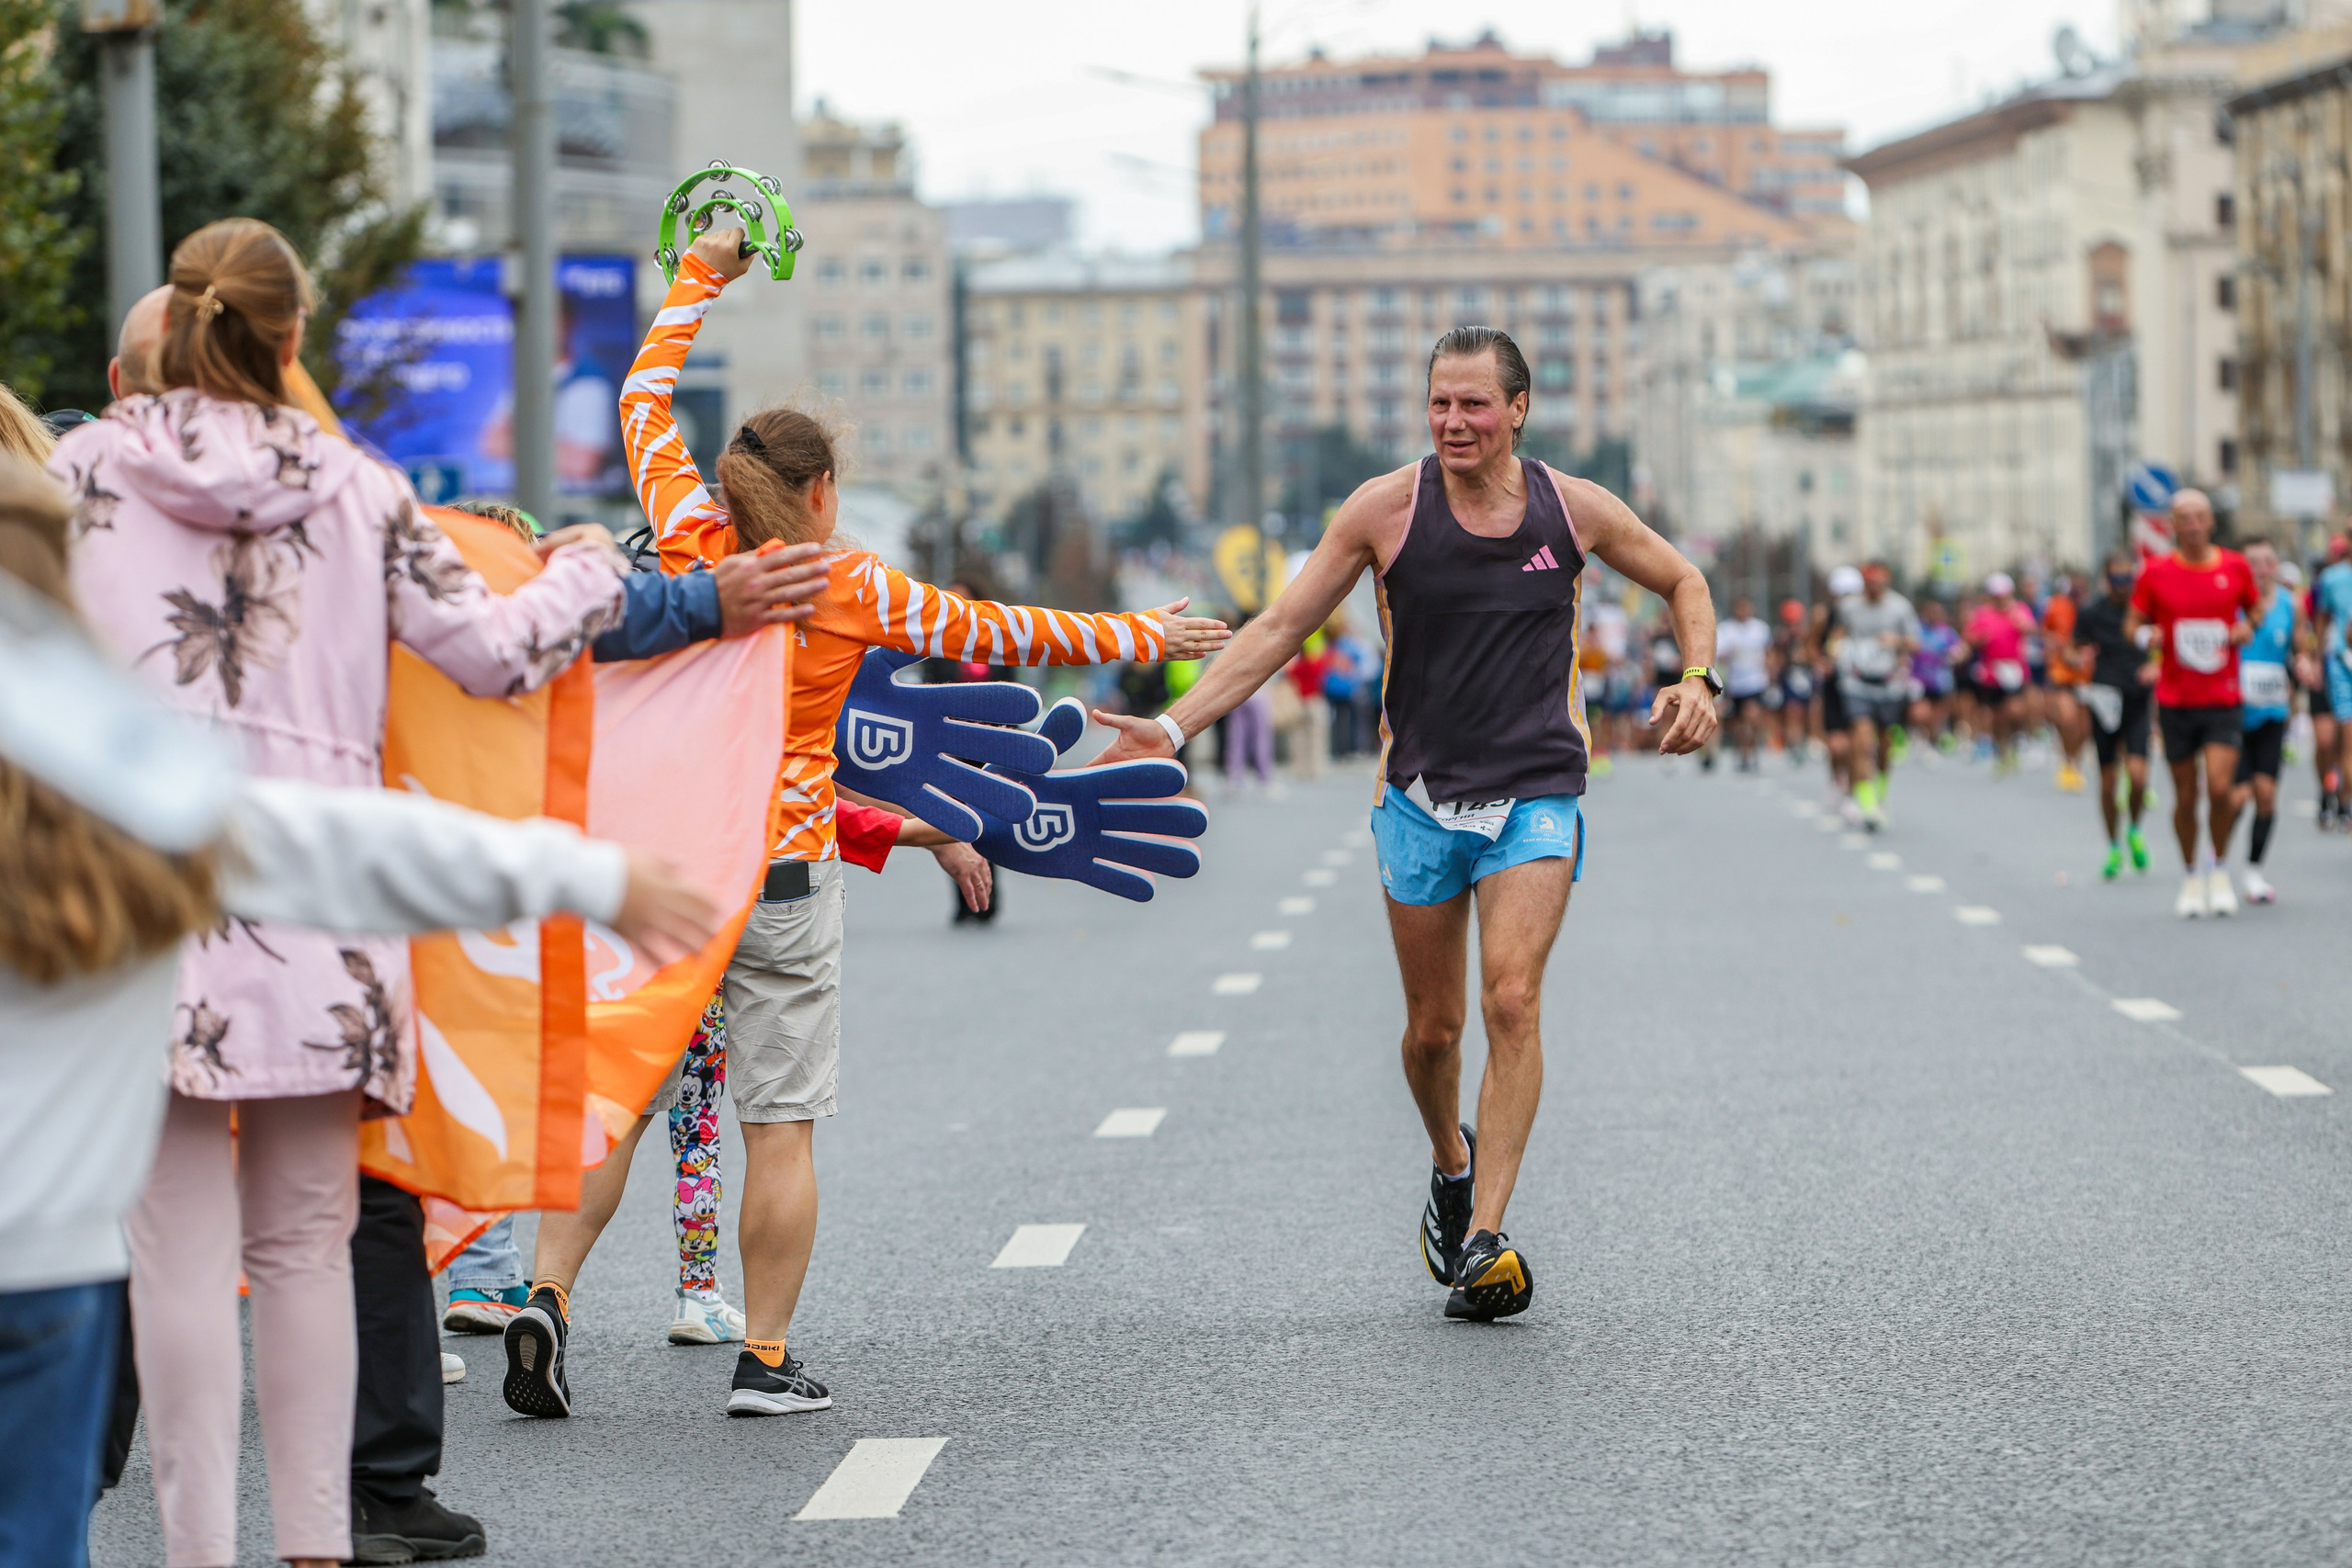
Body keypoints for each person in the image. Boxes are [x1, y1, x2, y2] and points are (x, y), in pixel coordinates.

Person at [498, 223, 1228, 1423]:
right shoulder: (851, 583)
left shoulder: (684, 532)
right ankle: (767, 1358)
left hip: (660, 867)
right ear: (824, 492)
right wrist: (1145, 635)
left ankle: (547, 1293)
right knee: (779, 1123)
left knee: (620, 1098)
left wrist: (701, 277)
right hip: (782, 868)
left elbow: (639, 392)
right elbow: (1001, 631)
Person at [0, 451, 720, 1568]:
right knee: (286, 1253)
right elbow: (334, 840)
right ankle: (314, 1530)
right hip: (49, 1263)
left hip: (68, 1253)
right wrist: (581, 874)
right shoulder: (135, 800)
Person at [49, 217, 637, 1568]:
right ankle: (316, 1544)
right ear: (292, 336)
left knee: (173, 1256)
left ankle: (197, 1548)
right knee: (310, 1242)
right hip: (322, 906)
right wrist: (590, 566)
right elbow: (492, 657)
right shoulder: (356, 484)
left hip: (143, 908)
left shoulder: (82, 473)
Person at [1091, 325, 1719, 1323]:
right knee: (1434, 1033)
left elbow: (1683, 579)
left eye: (1474, 404)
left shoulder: (1572, 509)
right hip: (1419, 798)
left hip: (1537, 791)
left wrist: (1697, 677)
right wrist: (1171, 727)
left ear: (1517, 410)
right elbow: (1276, 629)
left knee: (1512, 999)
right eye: (1439, 403)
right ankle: (1448, 1159)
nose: (1454, 422)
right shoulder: (1384, 511)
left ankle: (1485, 1238)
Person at [2126, 489, 2259, 919]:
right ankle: (2189, 875)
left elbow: (2254, 611)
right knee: (2186, 797)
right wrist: (2149, 638)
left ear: (2211, 522)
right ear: (2173, 523)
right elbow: (2134, 622)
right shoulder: (2156, 571)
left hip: (2222, 697)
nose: (2193, 524)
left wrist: (2245, 629)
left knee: (2220, 789)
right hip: (2176, 698)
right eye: (2184, 517)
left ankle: (2218, 866)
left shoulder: (2235, 567)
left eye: (2200, 516)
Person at [2070, 551, 2155, 881]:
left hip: (2136, 697)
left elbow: (2163, 642)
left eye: (2128, 579)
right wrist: (2078, 658)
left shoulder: (2145, 610)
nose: (2124, 585)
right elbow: (2072, 646)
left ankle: (2134, 827)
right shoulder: (2092, 612)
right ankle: (2113, 847)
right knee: (2108, 783)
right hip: (2104, 697)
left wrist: (2155, 664)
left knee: (2138, 777)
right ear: (2107, 580)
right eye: (2117, 579)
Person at [2227, 538, 2297, 906]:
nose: (2262, 568)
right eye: (2254, 561)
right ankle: (2218, 858)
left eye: (2268, 561)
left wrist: (2303, 665)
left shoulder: (2288, 604)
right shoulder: (2231, 604)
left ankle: (2254, 871)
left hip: (2272, 711)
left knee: (2266, 796)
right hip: (2234, 711)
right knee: (2237, 798)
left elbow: (2298, 649)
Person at [1829, 560, 1919, 831]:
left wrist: (1898, 642)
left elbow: (1916, 643)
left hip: (1889, 684)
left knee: (1884, 747)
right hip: (1856, 683)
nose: (1875, 589)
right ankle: (1866, 803)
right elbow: (1836, 636)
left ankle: (1879, 794)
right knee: (1861, 741)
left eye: (1880, 584)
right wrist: (1834, 648)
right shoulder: (1849, 608)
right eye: (1870, 584)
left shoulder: (1900, 607)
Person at [1963, 573, 2033, 773]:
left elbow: (2031, 629)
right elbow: (1969, 637)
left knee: (2016, 711)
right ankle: (2002, 751)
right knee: (1996, 716)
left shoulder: (2019, 610)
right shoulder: (1982, 614)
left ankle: (2015, 741)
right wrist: (1979, 639)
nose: (2000, 599)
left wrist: (2022, 625)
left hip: (2015, 670)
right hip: (1991, 672)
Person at [2314, 532, 2352, 830]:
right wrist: (2316, 660)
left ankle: (2342, 799)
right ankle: (2337, 798)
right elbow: (2323, 619)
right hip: (2341, 663)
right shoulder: (2331, 579)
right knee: (2338, 739)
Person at [2043, 575, 2090, 792]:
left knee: (2084, 727)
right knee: (2067, 719)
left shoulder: (2092, 609)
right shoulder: (2056, 606)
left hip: (2088, 677)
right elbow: (2044, 631)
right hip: (2062, 675)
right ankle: (2066, 761)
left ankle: (2075, 763)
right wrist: (2055, 644)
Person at [1715, 595, 1772, 772]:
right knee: (1739, 723)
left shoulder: (1760, 629)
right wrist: (1731, 654)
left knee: (1753, 717)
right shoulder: (1727, 629)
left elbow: (1769, 652)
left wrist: (1770, 670)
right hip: (1735, 683)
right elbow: (1720, 655)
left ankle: (1754, 746)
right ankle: (1743, 752)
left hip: (1756, 681)